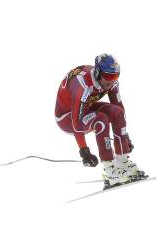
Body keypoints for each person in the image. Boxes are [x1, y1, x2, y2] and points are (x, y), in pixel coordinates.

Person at [55, 53, 146, 188]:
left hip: (86, 107)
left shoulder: (111, 82)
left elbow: (119, 108)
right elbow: (76, 123)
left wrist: (125, 139)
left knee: (117, 113)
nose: (111, 81)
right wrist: (84, 152)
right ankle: (109, 170)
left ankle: (123, 163)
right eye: (108, 77)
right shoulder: (83, 85)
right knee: (101, 120)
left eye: (115, 76)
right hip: (67, 117)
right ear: (97, 72)